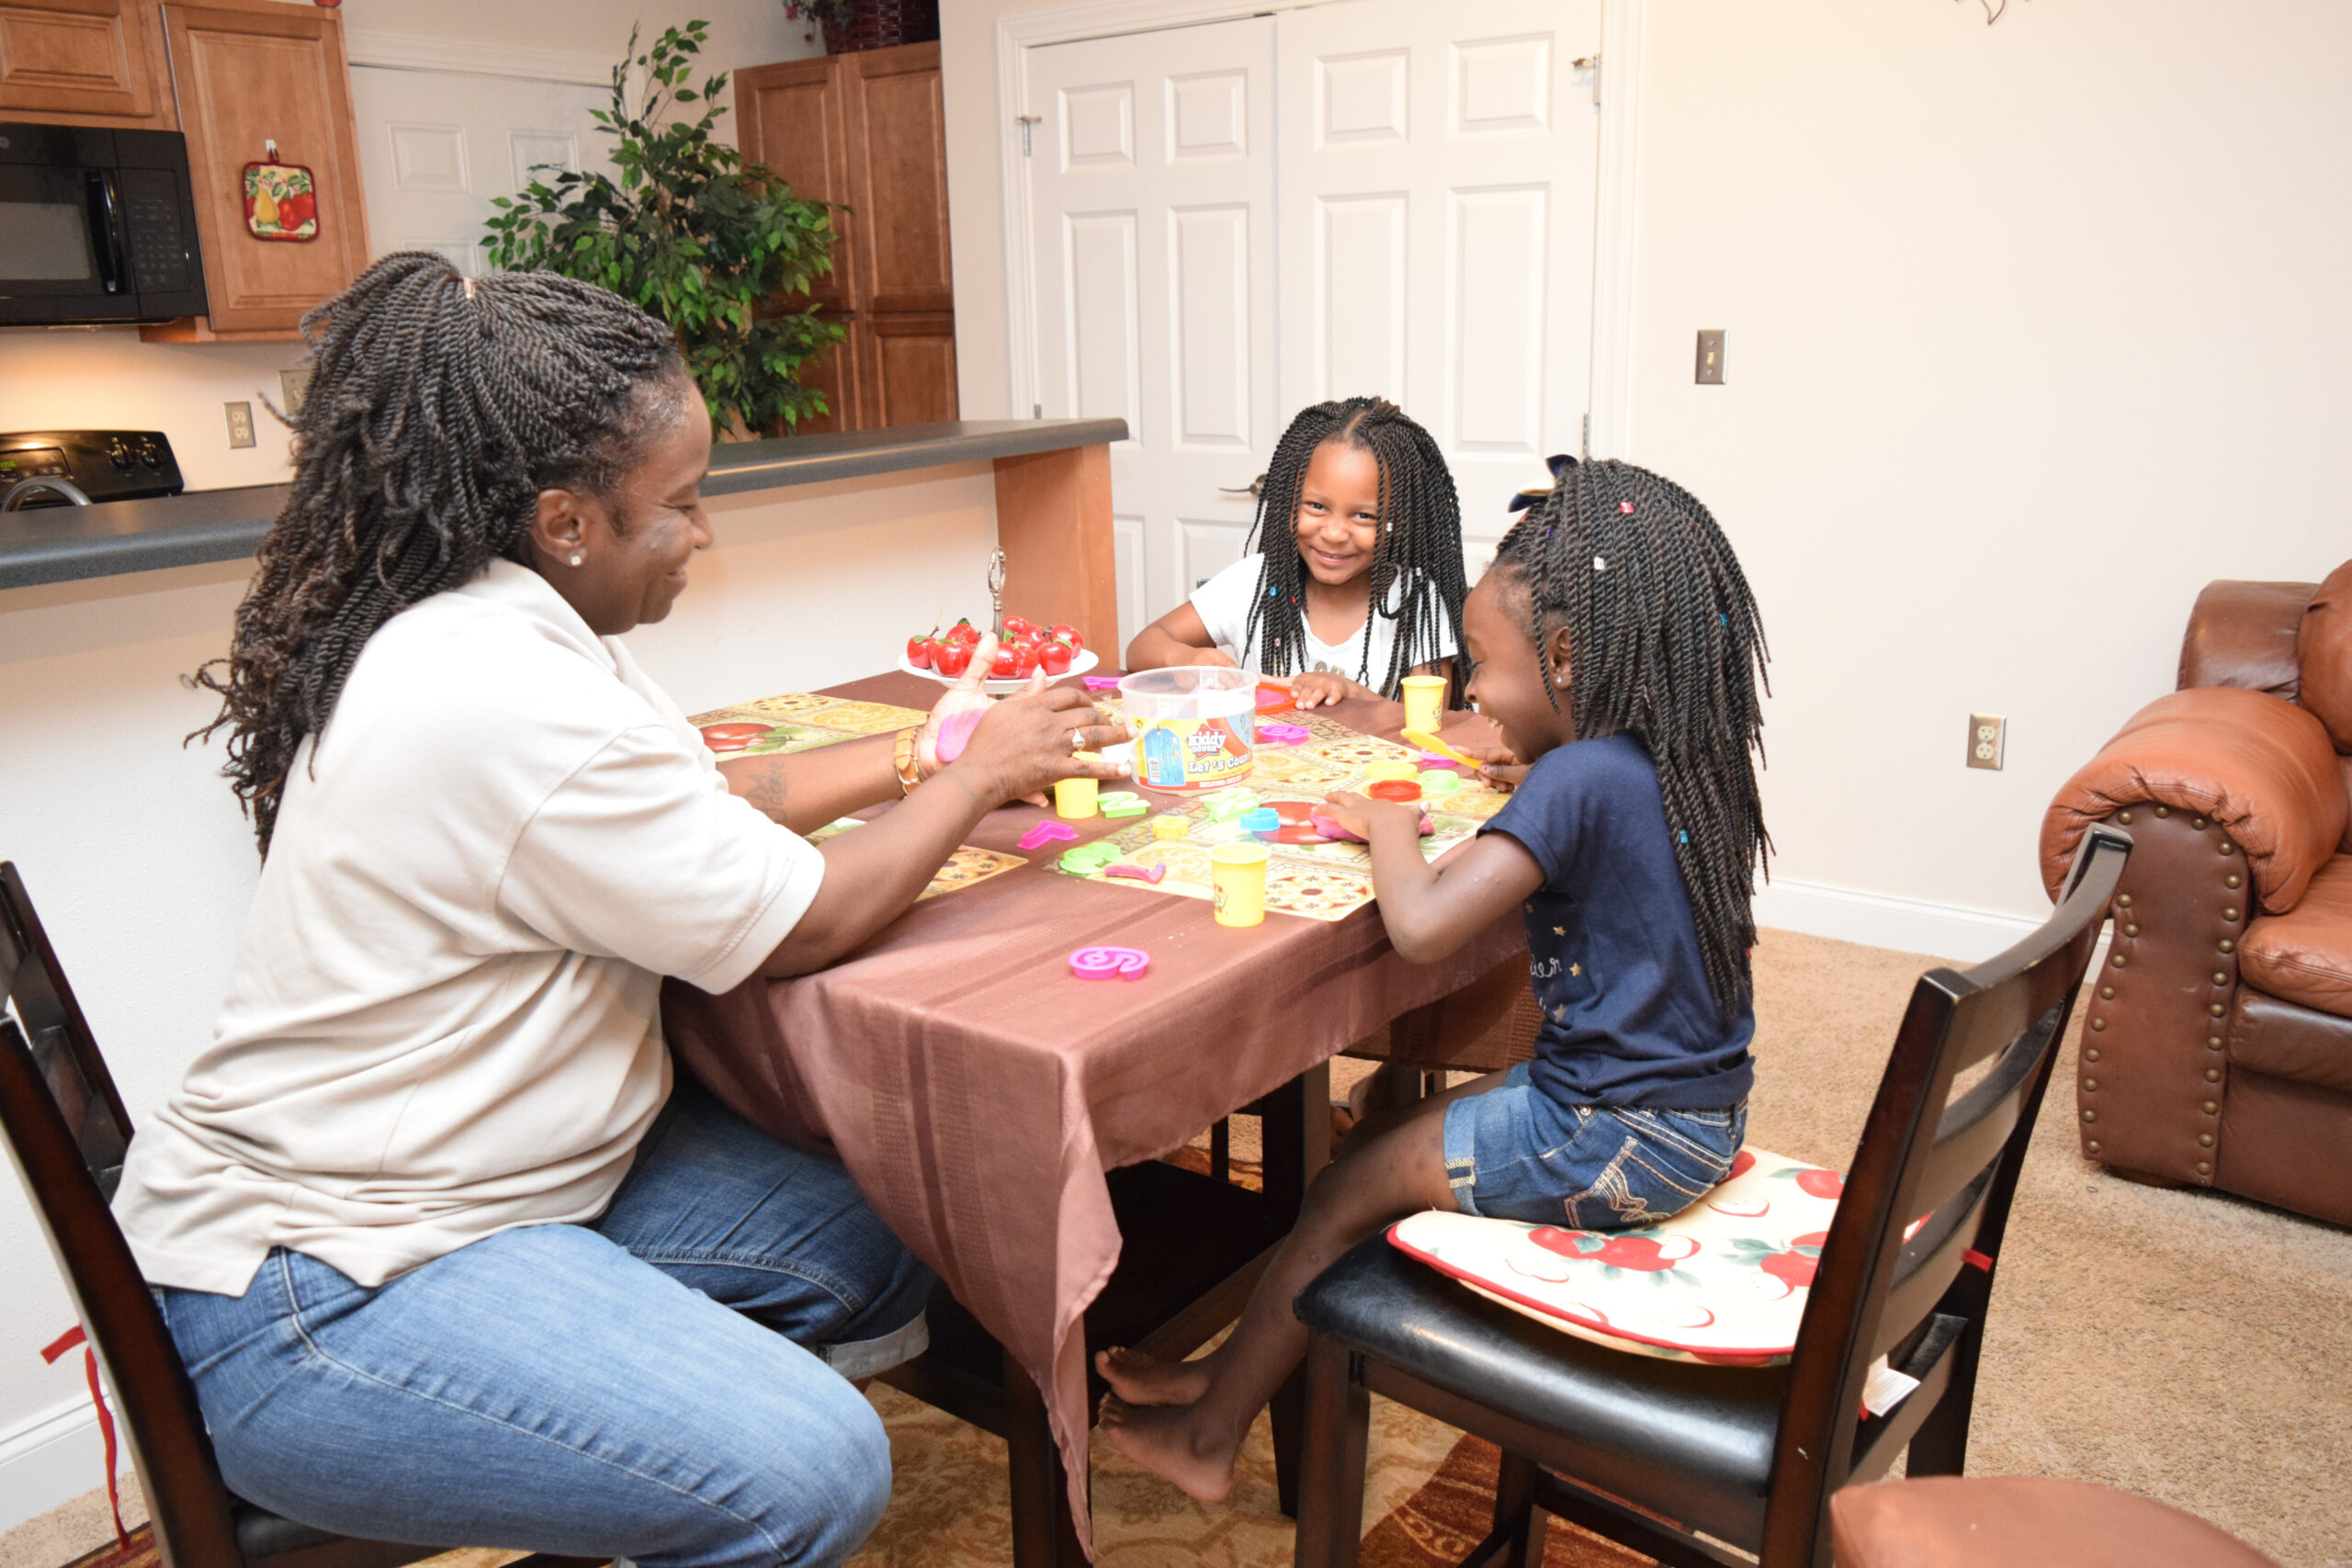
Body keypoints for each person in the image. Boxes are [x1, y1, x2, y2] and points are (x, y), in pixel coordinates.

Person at [111, 253, 1126, 1568]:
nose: (704, 534)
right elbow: (807, 921)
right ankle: (695, 1474)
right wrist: (983, 773)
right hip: (328, 1289)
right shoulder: (506, 694)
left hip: (480, 1190)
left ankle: (634, 1463)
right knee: (814, 1467)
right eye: (684, 504)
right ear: (565, 519)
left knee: (892, 1212)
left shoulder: (512, 623)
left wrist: (928, 752)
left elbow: (718, 790)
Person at [1093, 457, 1771, 1504]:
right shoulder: (1668, 753)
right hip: (1685, 1113)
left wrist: (1389, 822)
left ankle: (1207, 1440)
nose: (1476, 699)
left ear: (1560, 656)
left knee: (1341, 1193)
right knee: (1374, 1146)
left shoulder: (1577, 780)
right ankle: (1220, 1377)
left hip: (1608, 1130)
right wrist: (1535, 781)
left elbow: (1419, 927)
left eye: (1485, 674)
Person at [1124, 397, 1468, 708]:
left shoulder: (1415, 601)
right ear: (1289, 502)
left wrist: (1352, 694)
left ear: (1399, 520)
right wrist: (1187, 658)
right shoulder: (1255, 581)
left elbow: (1430, 721)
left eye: (1363, 515)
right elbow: (1142, 647)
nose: (1333, 533)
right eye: (1316, 506)